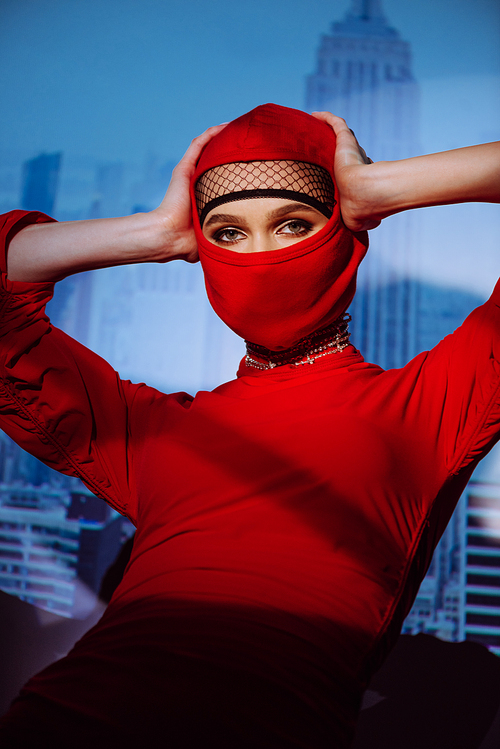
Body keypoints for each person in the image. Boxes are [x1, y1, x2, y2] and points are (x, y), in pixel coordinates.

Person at [0, 103, 498, 748]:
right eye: (227, 233)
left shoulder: (431, 403)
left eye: (292, 223)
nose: (258, 255)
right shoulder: (152, 430)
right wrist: (156, 233)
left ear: (345, 227)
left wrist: (380, 189)